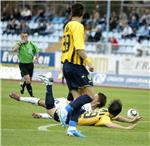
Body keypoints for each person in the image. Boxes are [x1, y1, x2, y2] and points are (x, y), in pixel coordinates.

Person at [60, 3, 96, 137]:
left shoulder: (67, 25)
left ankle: (72, 128)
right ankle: (65, 110)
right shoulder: (78, 26)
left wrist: (62, 69)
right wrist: (89, 62)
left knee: (77, 99)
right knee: (91, 96)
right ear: (82, 13)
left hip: (67, 65)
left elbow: (65, 48)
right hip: (76, 66)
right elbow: (79, 48)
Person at [12, 30, 40, 97]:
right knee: (27, 80)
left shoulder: (31, 44)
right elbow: (13, 49)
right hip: (23, 64)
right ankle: (32, 96)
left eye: (26, 36)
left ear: (28, 37)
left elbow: (37, 51)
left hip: (30, 64)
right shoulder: (19, 43)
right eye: (23, 37)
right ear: (21, 37)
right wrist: (20, 43)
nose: (24, 38)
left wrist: (36, 58)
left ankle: (22, 85)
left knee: (29, 81)